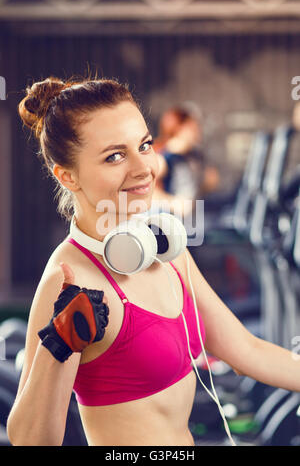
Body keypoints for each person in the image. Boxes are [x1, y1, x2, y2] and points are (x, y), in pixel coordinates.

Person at [7, 76, 300, 447]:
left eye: (144, 145)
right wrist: (59, 345)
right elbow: (30, 440)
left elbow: (246, 351)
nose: (144, 168)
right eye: (114, 155)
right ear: (66, 175)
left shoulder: (164, 247)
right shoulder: (70, 279)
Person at [152, 105, 220, 217]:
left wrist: (207, 183)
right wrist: (171, 202)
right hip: (172, 221)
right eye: (192, 126)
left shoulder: (195, 155)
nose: (197, 130)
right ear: (179, 128)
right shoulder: (165, 157)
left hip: (194, 219)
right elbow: (146, 192)